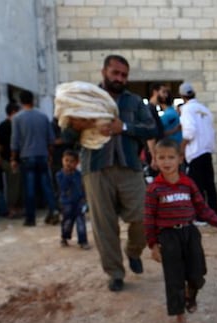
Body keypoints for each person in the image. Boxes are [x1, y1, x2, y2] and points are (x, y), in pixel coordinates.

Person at [62, 54, 159, 292]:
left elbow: (152, 128)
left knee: (142, 218)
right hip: (96, 169)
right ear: (104, 72)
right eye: (115, 73)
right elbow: (65, 136)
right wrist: (78, 126)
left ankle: (133, 251)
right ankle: (115, 273)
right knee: (104, 227)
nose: (120, 78)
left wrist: (123, 127)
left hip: (130, 168)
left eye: (124, 75)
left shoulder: (135, 102)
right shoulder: (86, 99)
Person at [144, 139, 217, 323]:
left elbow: (202, 208)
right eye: (161, 158)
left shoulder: (187, 183)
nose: (166, 162)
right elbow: (149, 218)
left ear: (180, 159)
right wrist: (153, 245)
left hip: (190, 234)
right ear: (155, 160)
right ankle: (180, 321)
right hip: (168, 238)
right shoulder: (154, 189)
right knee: (174, 279)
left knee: (197, 273)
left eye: (171, 157)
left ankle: (190, 294)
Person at [10, 90, 58, 227]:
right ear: (33, 100)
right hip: (42, 154)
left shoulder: (17, 118)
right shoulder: (43, 117)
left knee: (29, 188)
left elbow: (15, 141)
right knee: (46, 186)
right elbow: (51, 139)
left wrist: (14, 159)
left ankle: (30, 218)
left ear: (20, 101)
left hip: (26, 156)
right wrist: (49, 155)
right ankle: (53, 211)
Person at [178, 82, 217, 215]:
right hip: (207, 151)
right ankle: (213, 213)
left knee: (197, 187)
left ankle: (201, 217)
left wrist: (181, 149)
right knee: (209, 185)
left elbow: (189, 131)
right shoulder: (204, 109)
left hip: (195, 153)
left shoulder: (187, 109)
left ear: (182, 96)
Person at [55, 150, 90, 250]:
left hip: (79, 202)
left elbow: (82, 187)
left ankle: (83, 241)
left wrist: (85, 200)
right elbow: (62, 187)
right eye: (66, 161)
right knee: (67, 223)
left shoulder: (79, 174)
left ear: (77, 163)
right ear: (62, 161)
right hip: (66, 204)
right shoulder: (60, 175)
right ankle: (64, 238)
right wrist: (67, 175)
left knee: (81, 223)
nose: (69, 164)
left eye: (72, 161)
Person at [0, 102, 22, 219]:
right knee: (13, 186)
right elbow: (0, 146)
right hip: (9, 160)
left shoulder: (16, 125)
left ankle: (16, 208)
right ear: (12, 112)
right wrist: (1, 160)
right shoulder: (4, 126)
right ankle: (12, 209)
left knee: (17, 185)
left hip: (16, 160)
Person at [144, 82, 168, 179]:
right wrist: (154, 157)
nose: (165, 95)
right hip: (154, 154)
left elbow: (158, 133)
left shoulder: (153, 109)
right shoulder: (149, 110)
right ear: (155, 92)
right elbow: (150, 136)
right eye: (163, 92)